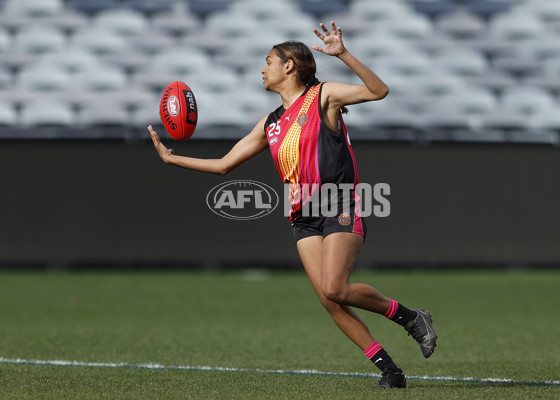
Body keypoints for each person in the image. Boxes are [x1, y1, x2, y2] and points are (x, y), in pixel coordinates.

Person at [148, 21, 437, 390]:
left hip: (337, 201)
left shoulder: (323, 96)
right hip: (302, 216)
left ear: (288, 66)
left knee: (335, 287)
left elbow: (379, 91)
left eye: (268, 60)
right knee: (328, 299)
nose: (262, 68)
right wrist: (172, 159)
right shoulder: (270, 122)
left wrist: (343, 54)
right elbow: (224, 165)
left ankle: (412, 317)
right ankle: (390, 371)